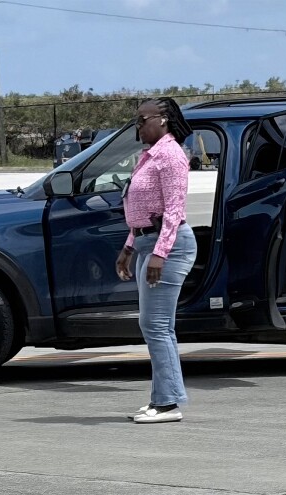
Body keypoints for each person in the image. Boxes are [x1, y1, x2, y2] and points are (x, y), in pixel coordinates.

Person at [115, 98, 197, 424]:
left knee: (156, 326)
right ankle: (161, 399)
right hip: (148, 241)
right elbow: (144, 214)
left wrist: (160, 254)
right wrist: (129, 246)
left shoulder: (171, 157)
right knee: (157, 327)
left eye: (142, 120)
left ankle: (167, 405)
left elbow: (173, 212)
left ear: (162, 120)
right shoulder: (150, 155)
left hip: (170, 246)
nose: (138, 126)